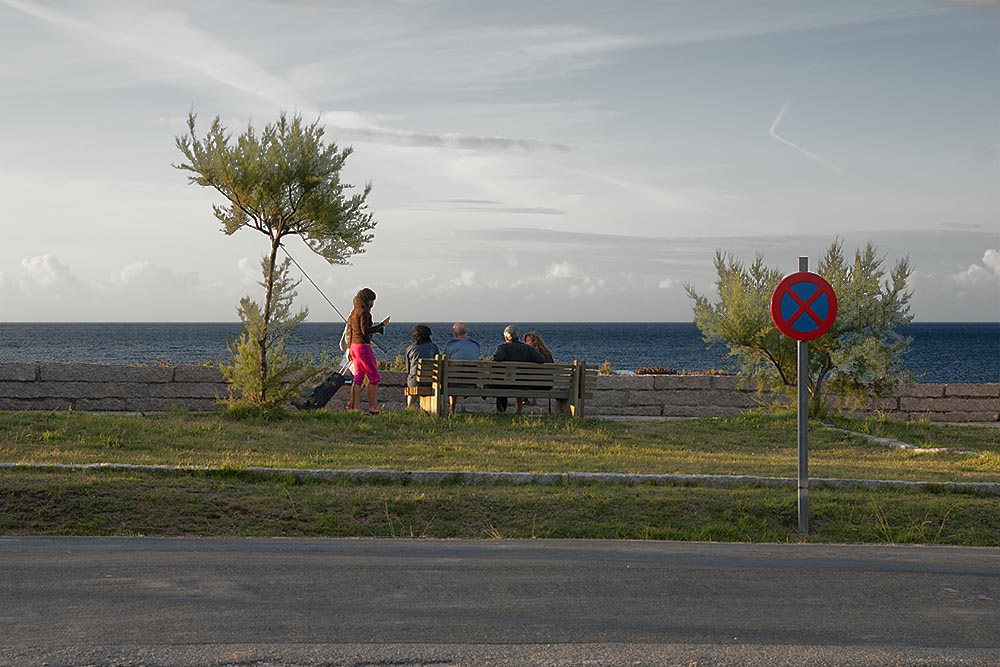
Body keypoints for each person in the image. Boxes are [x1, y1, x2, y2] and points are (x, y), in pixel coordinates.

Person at [346, 287, 390, 414]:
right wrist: (381, 325)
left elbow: (350, 332)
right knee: (374, 377)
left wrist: (349, 349)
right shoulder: (364, 313)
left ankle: (355, 406)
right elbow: (366, 331)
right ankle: (373, 407)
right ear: (368, 301)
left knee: (358, 377)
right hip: (362, 347)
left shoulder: (353, 312)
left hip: (354, 346)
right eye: (372, 301)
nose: (373, 304)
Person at [492, 325, 546, 413]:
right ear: (518, 336)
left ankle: (501, 411)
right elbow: (541, 359)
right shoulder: (527, 348)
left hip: (506, 384)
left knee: (500, 383)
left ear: (506, 337)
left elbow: (498, 358)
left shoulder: (503, 347)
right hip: (523, 384)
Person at [443, 322, 481, 415]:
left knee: (451, 376)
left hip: (453, 382)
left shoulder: (450, 345)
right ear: (466, 332)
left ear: (455, 334)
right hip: (471, 383)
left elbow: (445, 360)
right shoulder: (475, 345)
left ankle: (452, 409)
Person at [520, 330, 555, 413]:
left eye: (528, 341)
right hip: (548, 385)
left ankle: (522, 403)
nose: (526, 344)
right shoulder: (548, 354)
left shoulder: (533, 354)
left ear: (535, 342)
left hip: (536, 384)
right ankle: (524, 400)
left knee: (519, 383)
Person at [405, 324, 439, 408]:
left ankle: (410, 407)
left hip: (415, 382)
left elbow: (408, 369)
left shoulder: (411, 349)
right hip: (431, 381)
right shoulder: (434, 348)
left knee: (411, 380)